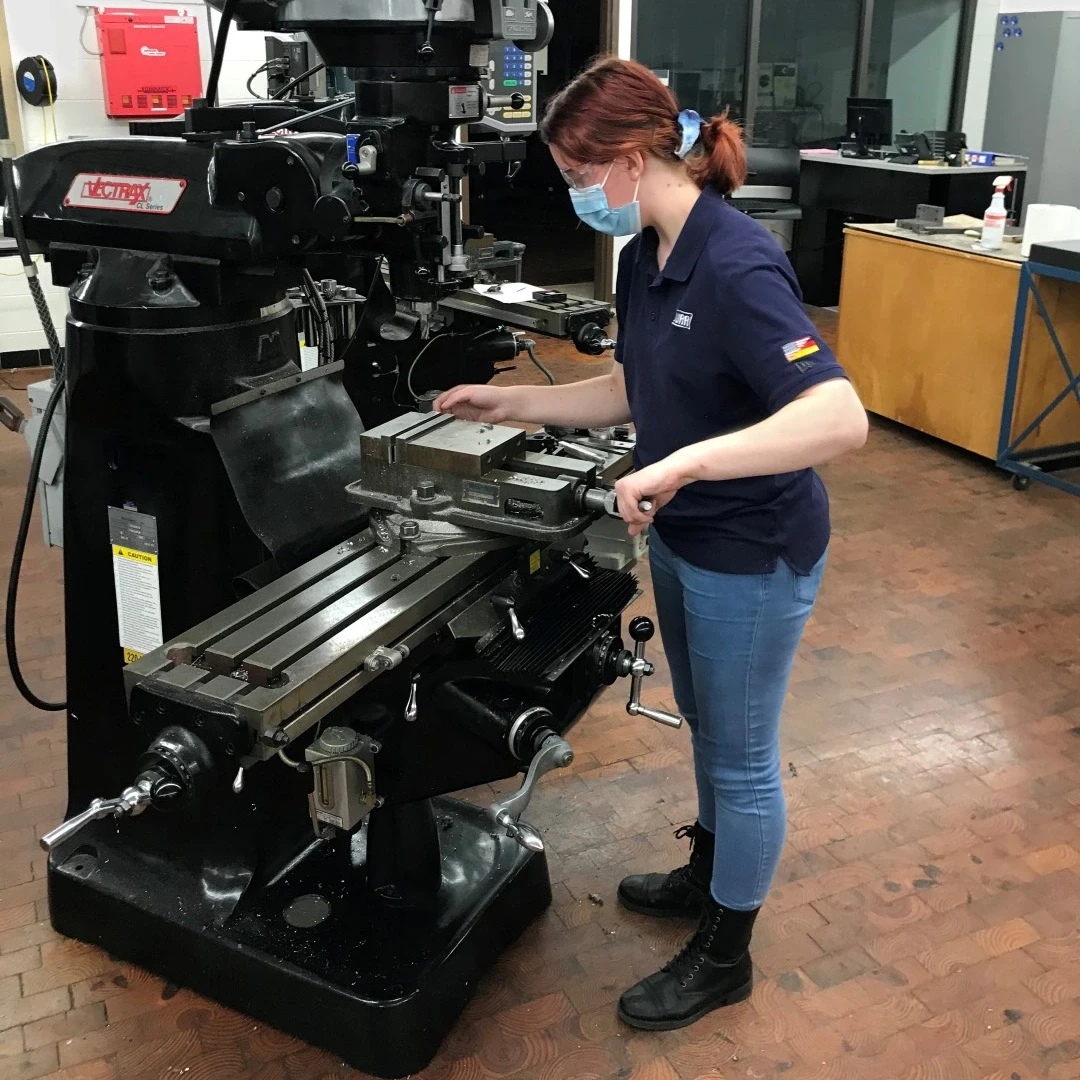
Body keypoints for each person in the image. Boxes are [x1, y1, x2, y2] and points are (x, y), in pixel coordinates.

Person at [434, 57, 868, 1031]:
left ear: (631, 158)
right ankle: (709, 877)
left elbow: (838, 418)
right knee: (711, 731)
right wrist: (513, 402)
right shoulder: (642, 256)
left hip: (755, 547)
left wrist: (684, 467)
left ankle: (727, 953)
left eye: (580, 178)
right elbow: (634, 389)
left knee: (745, 754)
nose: (579, 196)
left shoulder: (737, 260)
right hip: (683, 538)